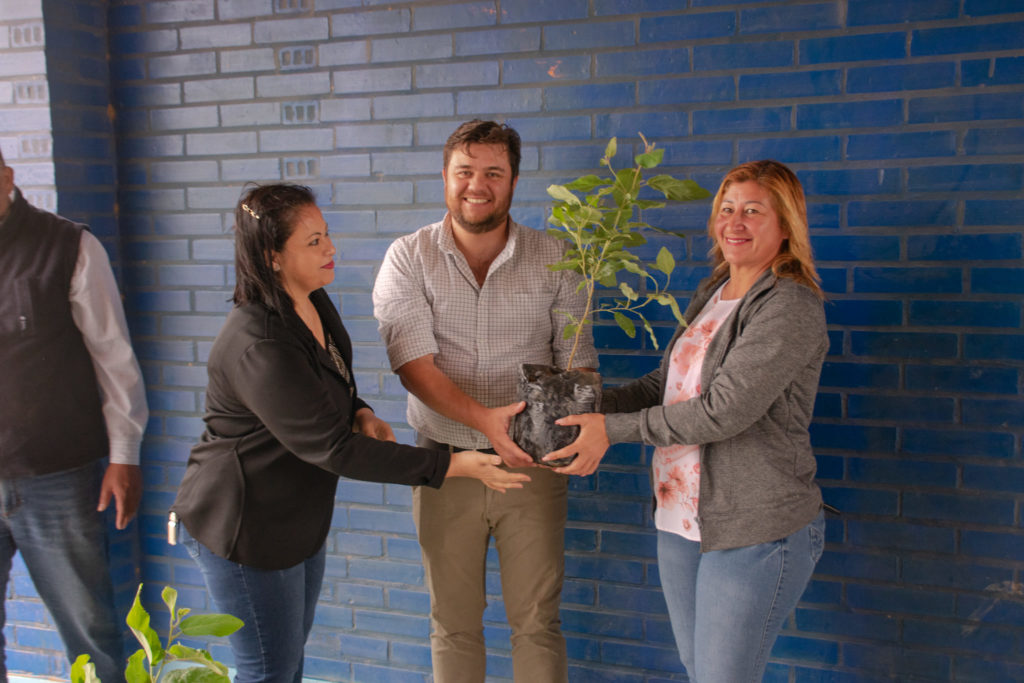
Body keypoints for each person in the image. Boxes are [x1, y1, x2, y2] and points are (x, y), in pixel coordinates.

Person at [171, 184, 527, 683]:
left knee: (288, 662)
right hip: (244, 526)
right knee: (268, 672)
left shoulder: (313, 303)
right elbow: (333, 449)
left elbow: (325, 385)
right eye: (313, 242)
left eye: (327, 235)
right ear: (273, 257)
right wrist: (451, 465)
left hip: (295, 520)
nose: (331, 249)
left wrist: (360, 411)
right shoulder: (261, 343)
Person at [545, 160, 828, 682]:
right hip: (681, 519)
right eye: (726, 209)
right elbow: (665, 387)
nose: (734, 222)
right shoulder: (713, 293)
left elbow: (723, 412)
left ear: (785, 224)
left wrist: (611, 431)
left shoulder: (789, 305)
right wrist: (589, 405)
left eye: (752, 211)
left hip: (754, 528)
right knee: (703, 671)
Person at [372, 120, 598, 683]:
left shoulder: (558, 257)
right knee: (452, 624)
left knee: (537, 623)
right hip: (445, 465)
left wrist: (577, 423)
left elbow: (579, 362)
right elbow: (413, 366)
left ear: (514, 181)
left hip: (532, 467)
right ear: (445, 177)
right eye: (465, 171)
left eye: (493, 172)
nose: (478, 185)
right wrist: (481, 421)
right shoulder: (408, 257)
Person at [0, 149, 148, 682]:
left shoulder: (69, 246)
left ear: (7, 177)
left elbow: (115, 358)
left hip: (57, 478)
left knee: (91, 631)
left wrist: (124, 455)